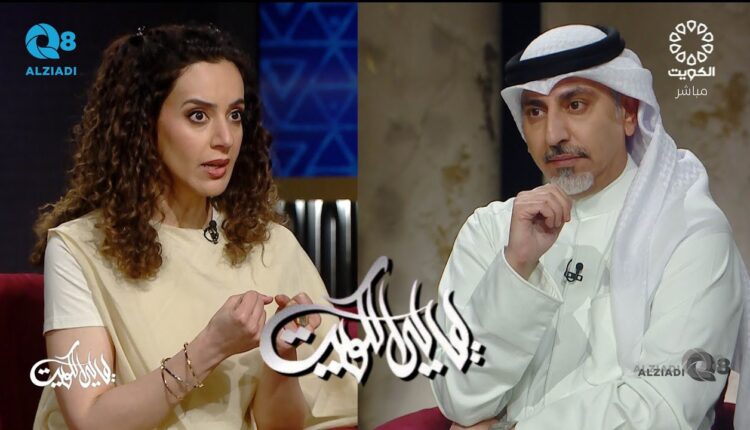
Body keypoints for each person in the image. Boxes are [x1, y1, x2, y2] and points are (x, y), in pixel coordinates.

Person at [30, 23, 357, 429]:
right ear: (143, 125)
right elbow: (90, 419)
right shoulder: (80, 248)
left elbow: (282, 425)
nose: (225, 138)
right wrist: (210, 347)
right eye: (198, 116)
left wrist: (281, 357)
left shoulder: (272, 246)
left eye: (235, 115)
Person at [430, 24, 750, 430]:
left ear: (628, 113)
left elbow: (666, 409)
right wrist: (515, 267)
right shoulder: (491, 230)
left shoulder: (691, 235)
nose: (553, 135)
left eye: (575, 104)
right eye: (535, 111)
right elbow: (457, 398)